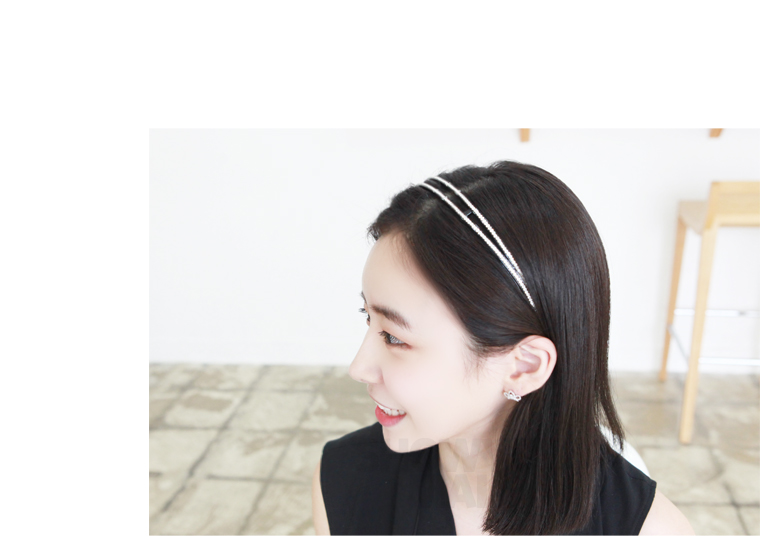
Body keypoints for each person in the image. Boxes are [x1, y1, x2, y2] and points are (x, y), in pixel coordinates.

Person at [311, 161, 694, 535]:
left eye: (395, 337)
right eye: (367, 317)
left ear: (524, 367)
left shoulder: (650, 529)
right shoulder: (341, 483)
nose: (358, 367)